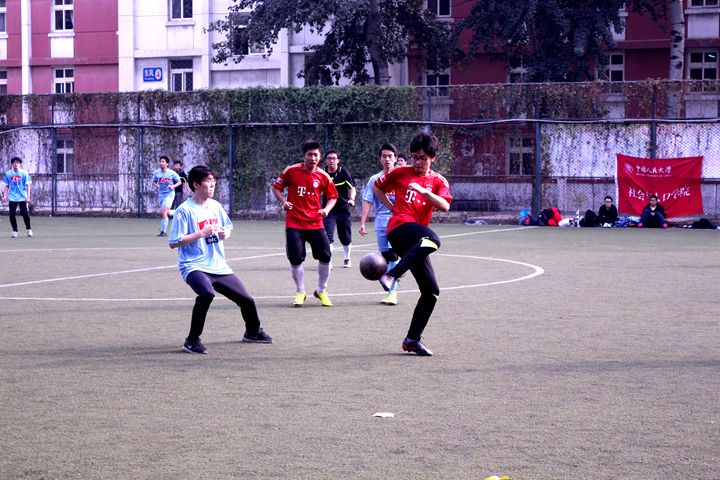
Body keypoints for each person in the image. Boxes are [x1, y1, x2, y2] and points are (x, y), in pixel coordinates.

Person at [168, 165, 272, 354]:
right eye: (208, 181)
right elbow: (174, 242)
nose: (212, 185)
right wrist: (201, 233)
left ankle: (253, 332)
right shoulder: (184, 210)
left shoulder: (215, 206)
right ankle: (191, 341)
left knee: (247, 299)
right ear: (196, 184)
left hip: (218, 265)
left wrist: (226, 233)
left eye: (214, 182)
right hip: (193, 265)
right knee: (206, 294)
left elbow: (228, 227)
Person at [373, 132, 452, 356]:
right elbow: (377, 187)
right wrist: (391, 207)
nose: (417, 162)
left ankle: (412, 339)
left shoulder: (438, 181)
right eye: (414, 157)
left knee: (431, 291)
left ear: (433, 158)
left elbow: (445, 206)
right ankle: (392, 275)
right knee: (433, 240)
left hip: (417, 240)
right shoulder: (400, 173)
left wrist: (425, 192)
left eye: (423, 158)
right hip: (399, 229)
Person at [272, 139, 339, 307]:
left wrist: (326, 210)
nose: (313, 158)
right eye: (310, 154)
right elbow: (276, 188)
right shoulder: (291, 171)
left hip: (315, 222)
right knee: (295, 259)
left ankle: (321, 291)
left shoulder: (323, 176)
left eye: (316, 155)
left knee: (326, 256)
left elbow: (333, 196)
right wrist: (284, 201)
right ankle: (300, 291)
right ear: (304, 156)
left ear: (320, 157)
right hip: (294, 222)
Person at [359, 143, 401, 305]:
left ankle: (393, 293)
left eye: (390, 156)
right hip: (381, 222)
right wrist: (363, 222)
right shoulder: (374, 180)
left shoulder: (401, 177)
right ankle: (387, 279)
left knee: (393, 255)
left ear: (395, 158)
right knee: (384, 258)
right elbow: (368, 201)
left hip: (398, 221)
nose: (387, 159)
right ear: (380, 159)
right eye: (384, 156)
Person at [322, 149, 356, 268]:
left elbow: (352, 188)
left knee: (345, 237)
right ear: (325, 160)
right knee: (327, 236)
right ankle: (328, 261)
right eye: (329, 158)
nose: (331, 161)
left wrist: (351, 199)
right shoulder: (322, 174)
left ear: (338, 160)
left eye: (334, 158)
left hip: (343, 209)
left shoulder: (344, 173)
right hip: (328, 210)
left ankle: (347, 258)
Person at [2, 157, 33, 238]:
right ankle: (15, 230)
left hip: (22, 197)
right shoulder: (8, 174)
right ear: (12, 164)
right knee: (12, 214)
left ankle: (28, 229)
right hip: (12, 197)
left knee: (24, 213)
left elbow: (28, 185)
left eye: (18, 163)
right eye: (15, 162)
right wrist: (5, 195)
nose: (16, 164)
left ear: (20, 164)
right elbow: (6, 186)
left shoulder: (24, 173)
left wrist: (28, 197)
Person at [152, 155, 182, 237]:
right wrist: (157, 186)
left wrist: (173, 186)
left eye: (163, 161)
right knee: (164, 212)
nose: (161, 163)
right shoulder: (156, 172)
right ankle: (178, 212)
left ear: (167, 164)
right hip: (161, 194)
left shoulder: (172, 173)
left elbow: (179, 182)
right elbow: (153, 182)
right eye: (160, 161)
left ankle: (163, 232)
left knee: (163, 212)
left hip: (169, 194)